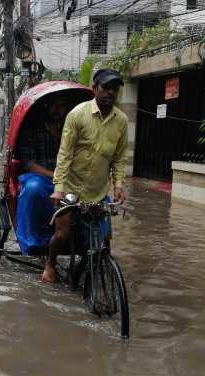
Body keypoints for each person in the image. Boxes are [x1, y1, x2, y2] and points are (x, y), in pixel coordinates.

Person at [43, 69, 129, 283]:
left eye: (114, 89)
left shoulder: (122, 122)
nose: (110, 93)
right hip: (71, 188)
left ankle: (95, 277)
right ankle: (50, 264)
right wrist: (59, 188)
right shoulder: (77, 115)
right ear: (94, 89)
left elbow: (119, 157)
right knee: (62, 235)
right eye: (105, 88)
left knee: (100, 241)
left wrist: (118, 185)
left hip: (97, 191)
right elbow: (64, 154)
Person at [15, 93, 68, 255]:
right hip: (38, 176)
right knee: (34, 188)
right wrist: (54, 176)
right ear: (46, 106)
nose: (57, 109)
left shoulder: (69, 128)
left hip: (64, 175)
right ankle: (33, 236)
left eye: (61, 105)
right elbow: (29, 163)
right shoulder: (32, 127)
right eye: (54, 104)